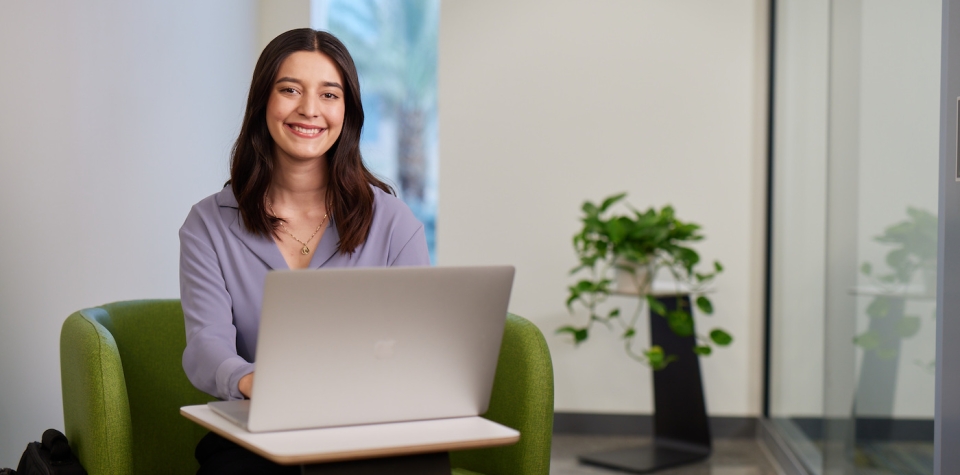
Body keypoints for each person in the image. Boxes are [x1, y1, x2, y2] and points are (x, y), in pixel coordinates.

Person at [178, 28, 430, 474]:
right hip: (257, 433)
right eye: (290, 89)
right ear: (263, 103)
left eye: (329, 94)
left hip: (370, 431)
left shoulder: (394, 223)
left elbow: (415, 349)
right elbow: (205, 346)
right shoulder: (208, 224)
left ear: (347, 111)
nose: (309, 109)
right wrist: (254, 380)